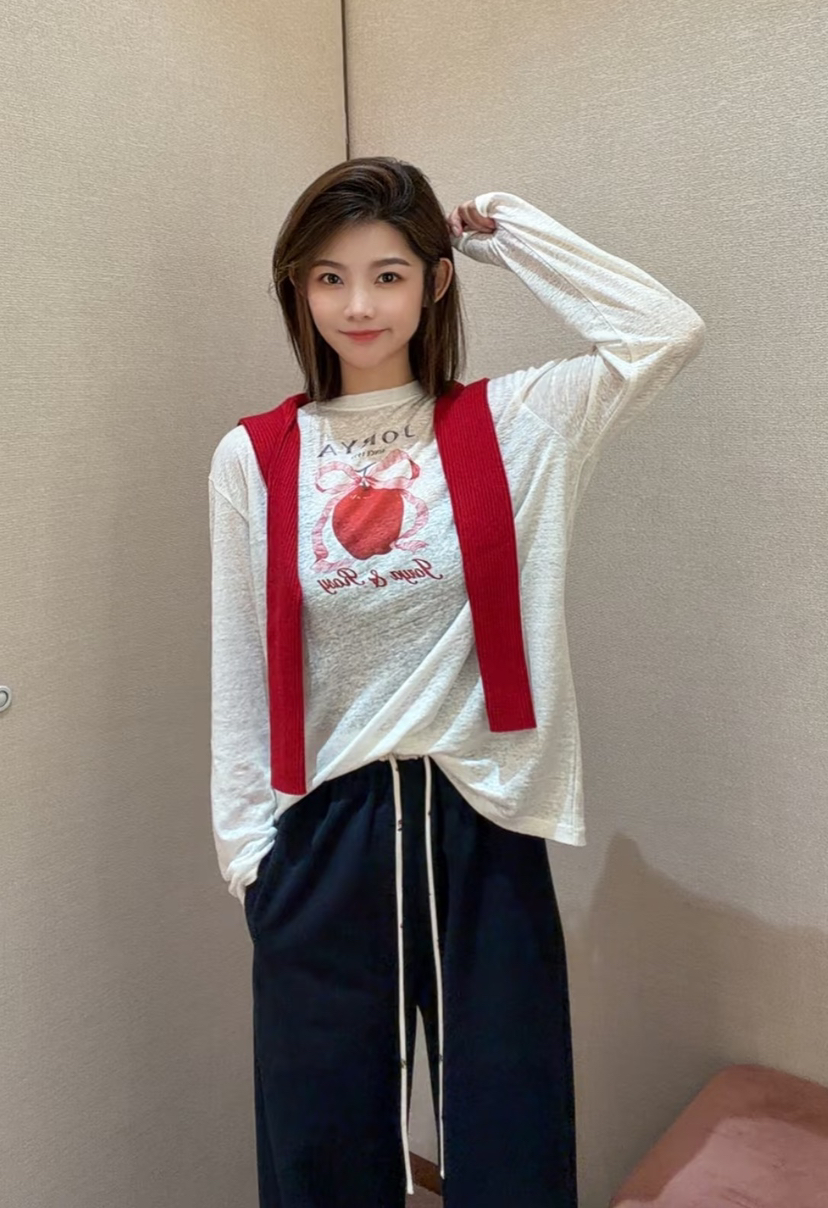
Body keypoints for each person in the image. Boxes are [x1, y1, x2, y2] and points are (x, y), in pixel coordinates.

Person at [209, 156, 706, 1208]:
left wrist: (505, 231)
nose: (358, 305)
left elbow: (663, 332)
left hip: (481, 816)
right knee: (321, 1150)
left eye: (388, 274)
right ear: (298, 289)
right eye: (330, 277)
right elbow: (240, 668)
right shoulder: (253, 458)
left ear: (434, 282)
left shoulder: (517, 423)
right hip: (325, 836)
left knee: (513, 1139)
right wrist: (251, 860)